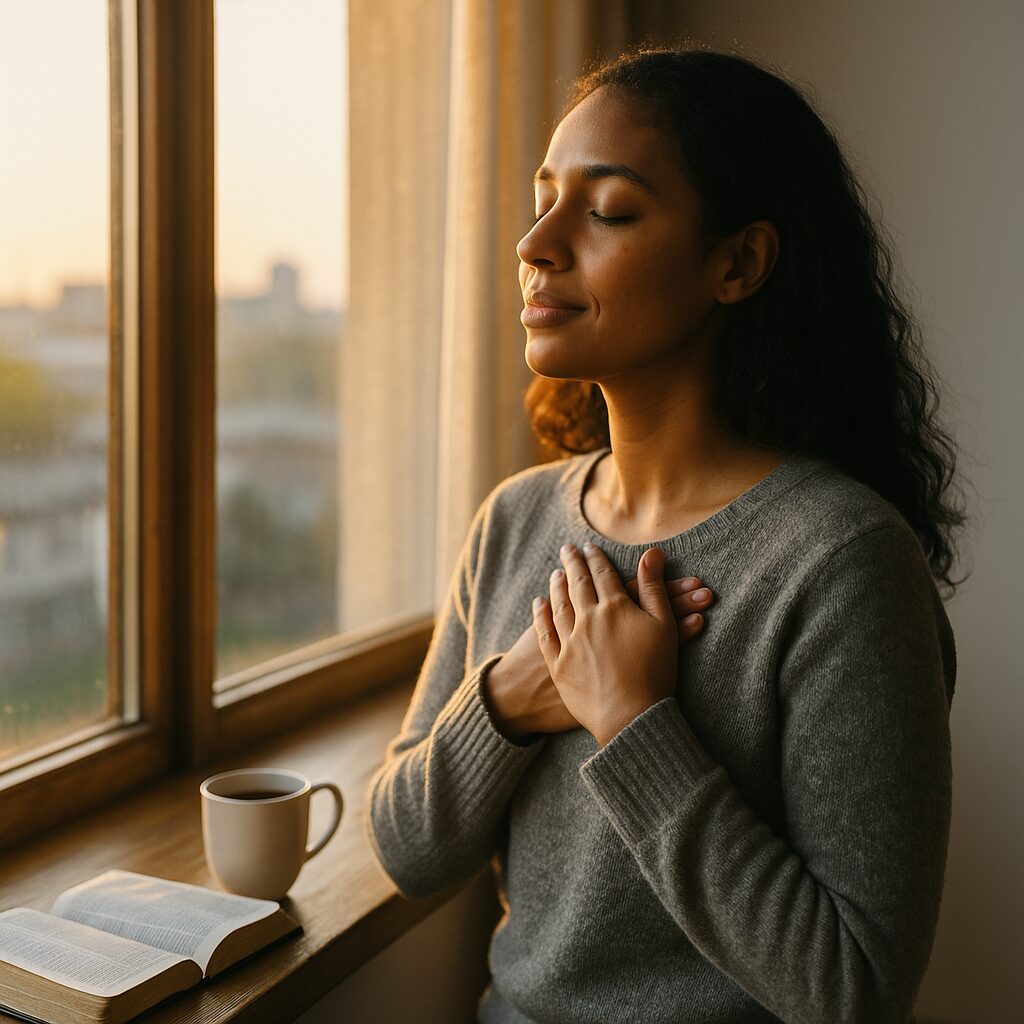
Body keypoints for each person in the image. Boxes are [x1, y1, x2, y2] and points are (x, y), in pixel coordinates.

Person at [365, 43, 968, 1024]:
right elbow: (405, 849)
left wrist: (634, 721)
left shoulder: (843, 563)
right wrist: (512, 696)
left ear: (737, 263)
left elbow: (853, 991)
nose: (536, 242)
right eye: (543, 200)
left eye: (607, 210)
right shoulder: (515, 518)